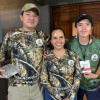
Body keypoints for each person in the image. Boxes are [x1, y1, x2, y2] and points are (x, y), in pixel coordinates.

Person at [0, 3, 49, 100]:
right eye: (28, 14)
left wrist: (47, 51)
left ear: (38, 19)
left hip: (38, 87)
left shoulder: (43, 36)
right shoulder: (11, 35)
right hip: (17, 87)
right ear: (21, 17)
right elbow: (1, 54)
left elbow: (52, 46)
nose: (32, 18)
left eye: (35, 16)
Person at [41, 28, 81, 100]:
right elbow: (44, 79)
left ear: (65, 39)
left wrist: (70, 97)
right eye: (55, 38)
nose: (58, 41)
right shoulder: (47, 57)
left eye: (61, 37)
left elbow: (78, 77)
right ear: (51, 41)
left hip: (70, 95)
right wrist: (57, 97)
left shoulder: (73, 55)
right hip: (51, 96)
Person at [67, 14, 100, 100]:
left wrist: (96, 74)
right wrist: (47, 51)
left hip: (93, 84)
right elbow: (56, 47)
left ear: (91, 28)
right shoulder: (69, 44)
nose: (84, 27)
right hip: (75, 84)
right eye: (80, 24)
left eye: (87, 24)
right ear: (76, 28)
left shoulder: (98, 44)